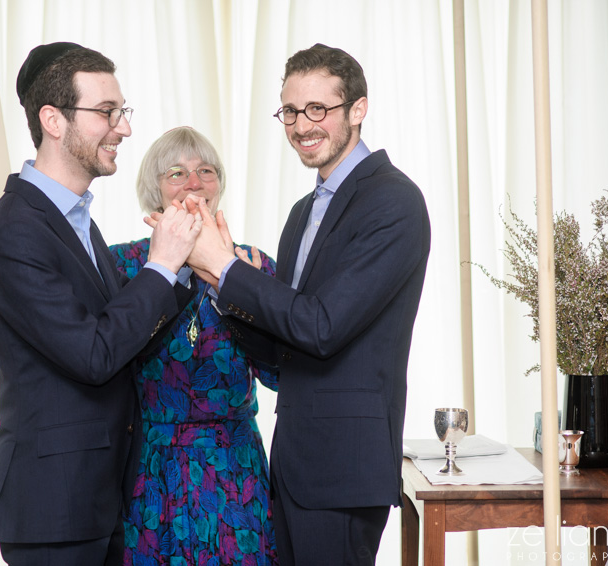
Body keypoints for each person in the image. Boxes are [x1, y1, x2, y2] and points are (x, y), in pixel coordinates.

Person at [184, 44, 431, 565]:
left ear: (358, 109)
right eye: (291, 111)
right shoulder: (303, 211)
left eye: (318, 109)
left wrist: (227, 268)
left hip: (343, 470)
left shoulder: (393, 201)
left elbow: (322, 326)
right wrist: (219, 283)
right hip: (294, 465)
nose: (301, 126)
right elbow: (285, 347)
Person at [0, 43, 201, 566]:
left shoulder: (74, 220)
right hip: (54, 507)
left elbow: (123, 341)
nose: (124, 128)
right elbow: (94, 355)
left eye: (122, 111)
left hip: (96, 497)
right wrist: (161, 264)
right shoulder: (14, 234)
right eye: (107, 112)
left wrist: (185, 267)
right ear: (53, 120)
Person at [109, 127, 278, 566]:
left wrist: (238, 290)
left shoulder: (253, 266)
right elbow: (107, 357)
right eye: (176, 173)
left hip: (235, 468)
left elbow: (280, 373)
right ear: (155, 189)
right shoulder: (125, 265)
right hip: (153, 469)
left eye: (206, 171)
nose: (193, 183)